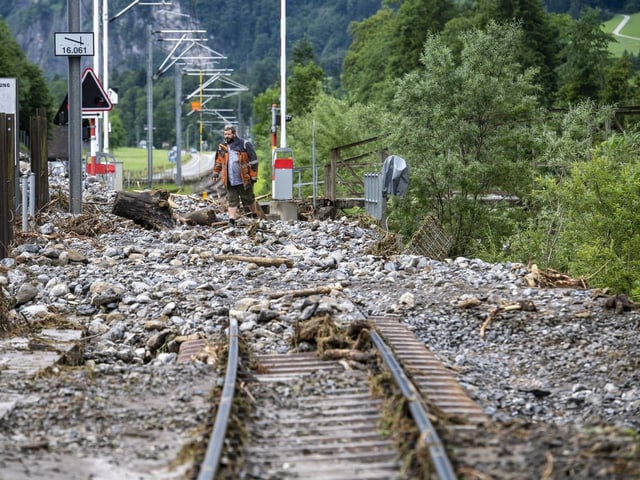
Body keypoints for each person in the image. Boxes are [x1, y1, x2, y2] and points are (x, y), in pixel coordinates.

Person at [211, 125, 259, 227]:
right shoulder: (222, 147)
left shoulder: (244, 144)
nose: (226, 136)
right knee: (232, 200)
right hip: (229, 179)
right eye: (225, 134)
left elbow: (254, 161)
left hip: (244, 179)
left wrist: (253, 176)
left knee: (249, 198)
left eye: (228, 134)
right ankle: (231, 221)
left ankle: (254, 215)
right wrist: (215, 173)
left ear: (234, 134)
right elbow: (219, 162)